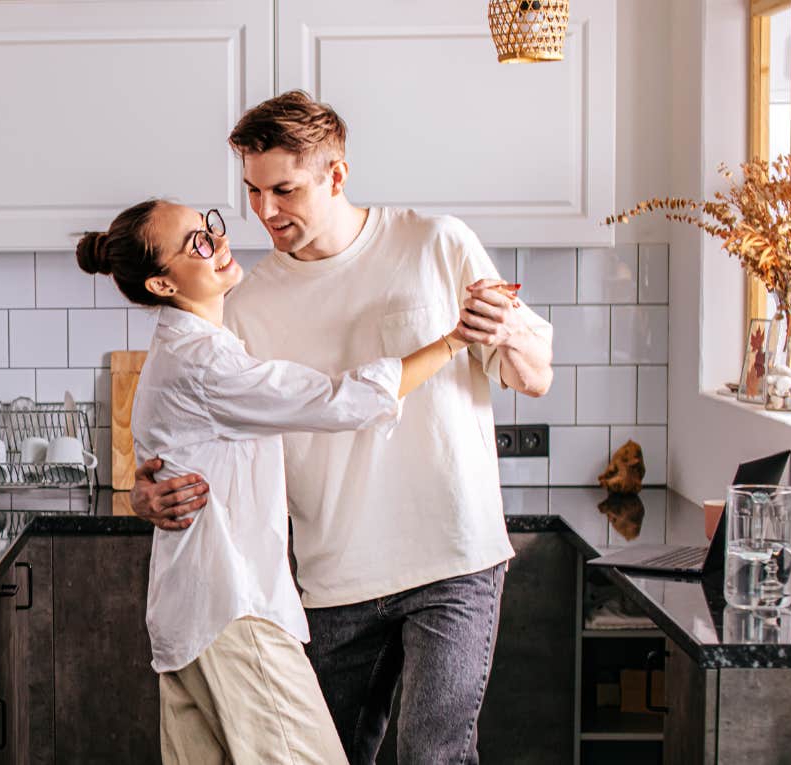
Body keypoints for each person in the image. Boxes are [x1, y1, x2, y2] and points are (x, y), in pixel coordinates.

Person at [130, 91, 555, 764]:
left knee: (432, 754)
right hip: (333, 572)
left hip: (453, 553)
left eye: (285, 190)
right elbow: (196, 417)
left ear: (337, 174)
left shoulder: (436, 242)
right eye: (253, 191)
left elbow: (533, 373)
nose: (266, 212)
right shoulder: (243, 301)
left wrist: (504, 332)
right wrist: (144, 491)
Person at [77, 199, 475, 765]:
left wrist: (144, 496)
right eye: (193, 242)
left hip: (190, 618)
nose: (215, 241)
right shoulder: (205, 361)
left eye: (207, 226)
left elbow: (172, 460)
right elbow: (342, 400)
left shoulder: (189, 349)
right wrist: (455, 341)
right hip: (231, 607)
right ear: (163, 284)